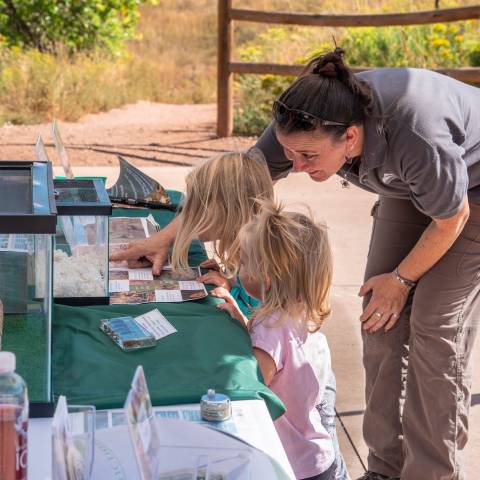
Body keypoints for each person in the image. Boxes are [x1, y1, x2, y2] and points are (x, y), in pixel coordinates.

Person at [253, 48, 480, 480]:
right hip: (420, 183)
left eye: (308, 157)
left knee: (434, 327)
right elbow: (237, 181)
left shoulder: (417, 132)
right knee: (379, 317)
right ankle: (384, 469)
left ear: (352, 139)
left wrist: (401, 279)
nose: (295, 166)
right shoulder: (306, 120)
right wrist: (170, 237)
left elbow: (451, 218)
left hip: (471, 197)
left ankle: (432, 474)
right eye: (289, 153)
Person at [110, 150, 350, 479]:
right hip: (308, 426)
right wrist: (238, 305)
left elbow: (250, 385)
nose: (188, 212)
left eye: (244, 268)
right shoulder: (282, 294)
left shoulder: (271, 321)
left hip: (299, 460)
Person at [212, 200, 337, 480]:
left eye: (243, 262)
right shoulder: (299, 313)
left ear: (264, 278)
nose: (238, 269)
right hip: (315, 454)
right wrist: (243, 321)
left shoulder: (272, 329)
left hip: (291, 464)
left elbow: (250, 386)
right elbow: (283, 362)